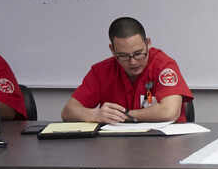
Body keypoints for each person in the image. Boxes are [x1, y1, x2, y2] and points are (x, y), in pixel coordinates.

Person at [61, 17, 192, 123]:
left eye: (138, 53)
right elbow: (68, 111)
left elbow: (169, 112)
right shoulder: (101, 71)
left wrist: (124, 115)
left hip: (164, 142)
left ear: (148, 43)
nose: (133, 62)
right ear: (112, 50)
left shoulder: (163, 65)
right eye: (123, 56)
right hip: (117, 143)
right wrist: (94, 115)